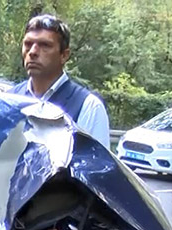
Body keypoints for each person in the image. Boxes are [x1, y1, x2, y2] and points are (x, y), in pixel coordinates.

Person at [8, 14, 111, 149]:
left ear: (64, 55)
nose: (32, 52)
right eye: (28, 44)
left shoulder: (88, 107)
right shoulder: (9, 99)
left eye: (45, 45)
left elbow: (98, 167)